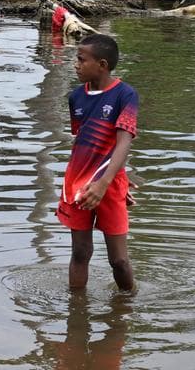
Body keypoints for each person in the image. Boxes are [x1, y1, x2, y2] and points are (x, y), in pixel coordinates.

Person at [57, 33, 138, 292]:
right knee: (80, 253)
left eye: (81, 59)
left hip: (108, 185)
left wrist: (113, 181)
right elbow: (83, 143)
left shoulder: (125, 95)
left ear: (102, 65)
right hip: (78, 183)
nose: (76, 64)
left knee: (119, 260)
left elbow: (124, 141)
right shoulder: (75, 98)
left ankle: (125, 311)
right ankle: (77, 315)